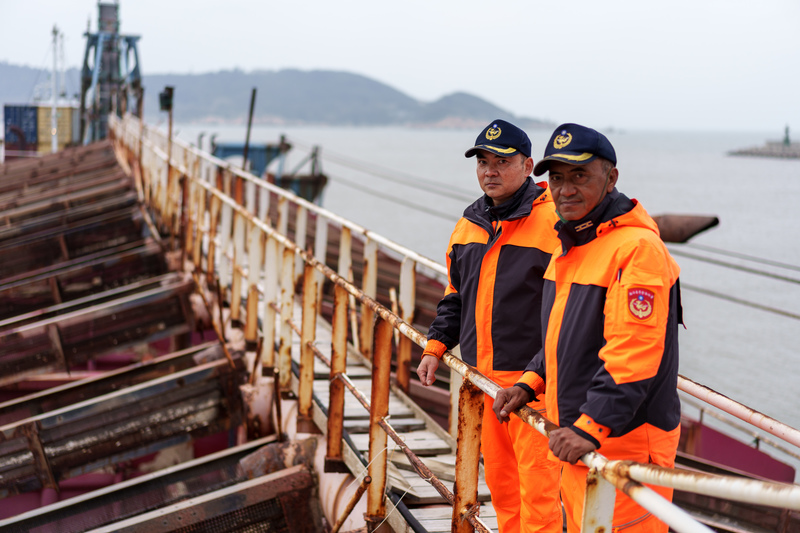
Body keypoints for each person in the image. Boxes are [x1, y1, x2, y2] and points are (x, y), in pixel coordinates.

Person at [492, 123, 683, 533]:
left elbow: (633, 352)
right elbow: (561, 339)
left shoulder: (636, 250)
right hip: (579, 438)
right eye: (556, 178)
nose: (565, 190)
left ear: (611, 178)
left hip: (622, 443)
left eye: (580, 176)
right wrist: (528, 384)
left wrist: (590, 428)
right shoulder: (574, 245)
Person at [417, 119, 562, 532]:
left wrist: (534, 379)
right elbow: (455, 296)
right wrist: (435, 347)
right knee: (502, 488)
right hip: (486, 383)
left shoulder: (554, 225)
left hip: (537, 388)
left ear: (529, 165)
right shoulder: (469, 225)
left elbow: (565, 314)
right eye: (482, 161)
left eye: (502, 161)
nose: (489, 171)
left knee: (539, 495)